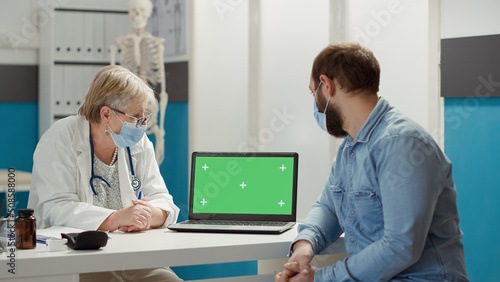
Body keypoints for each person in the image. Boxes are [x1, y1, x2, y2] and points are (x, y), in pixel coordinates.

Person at [275, 42, 468, 282]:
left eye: (313, 93)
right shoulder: (350, 148)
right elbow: (329, 207)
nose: (315, 104)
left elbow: (400, 246)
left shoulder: (402, 144)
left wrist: (320, 278)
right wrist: (305, 245)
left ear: (327, 85)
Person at [28, 65, 182, 281]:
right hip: (76, 254)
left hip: (133, 252)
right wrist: (116, 218)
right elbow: (55, 208)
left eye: (144, 115)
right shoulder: (61, 139)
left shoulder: (138, 142)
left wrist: (149, 215)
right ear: (106, 114)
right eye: (136, 116)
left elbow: (162, 199)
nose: (143, 124)